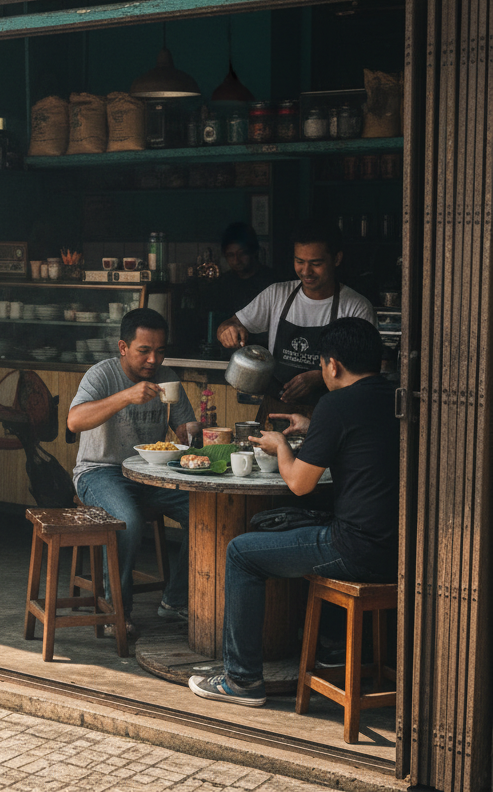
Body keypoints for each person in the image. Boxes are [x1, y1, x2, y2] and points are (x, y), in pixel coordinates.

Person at [188, 317, 398, 707]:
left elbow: (300, 483)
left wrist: (279, 447)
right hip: (399, 549)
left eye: (321, 365)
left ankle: (242, 680)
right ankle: (331, 650)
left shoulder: (336, 403)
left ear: (332, 365)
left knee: (241, 553)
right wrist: (312, 424)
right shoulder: (395, 397)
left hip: (356, 549)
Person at [67, 308, 200, 636]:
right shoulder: (101, 375)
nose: (153, 360)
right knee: (128, 520)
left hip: (151, 473)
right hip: (99, 471)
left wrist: (192, 432)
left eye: (160, 350)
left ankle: (175, 600)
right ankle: (117, 610)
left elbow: (185, 427)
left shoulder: (168, 378)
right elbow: (75, 421)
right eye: (144, 350)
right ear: (123, 347)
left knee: (205, 512)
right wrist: (126, 396)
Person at [216, 220, 376, 413]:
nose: (306, 271)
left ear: (337, 259)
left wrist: (319, 377)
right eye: (299, 261)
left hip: (329, 415)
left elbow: (366, 377)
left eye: (316, 263)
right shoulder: (276, 294)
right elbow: (229, 324)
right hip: (276, 412)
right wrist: (228, 330)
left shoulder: (356, 307)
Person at [213, 222, 278, 339]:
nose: (236, 260)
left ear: (254, 251)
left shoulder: (272, 283)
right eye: (231, 255)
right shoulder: (222, 284)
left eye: (242, 254)